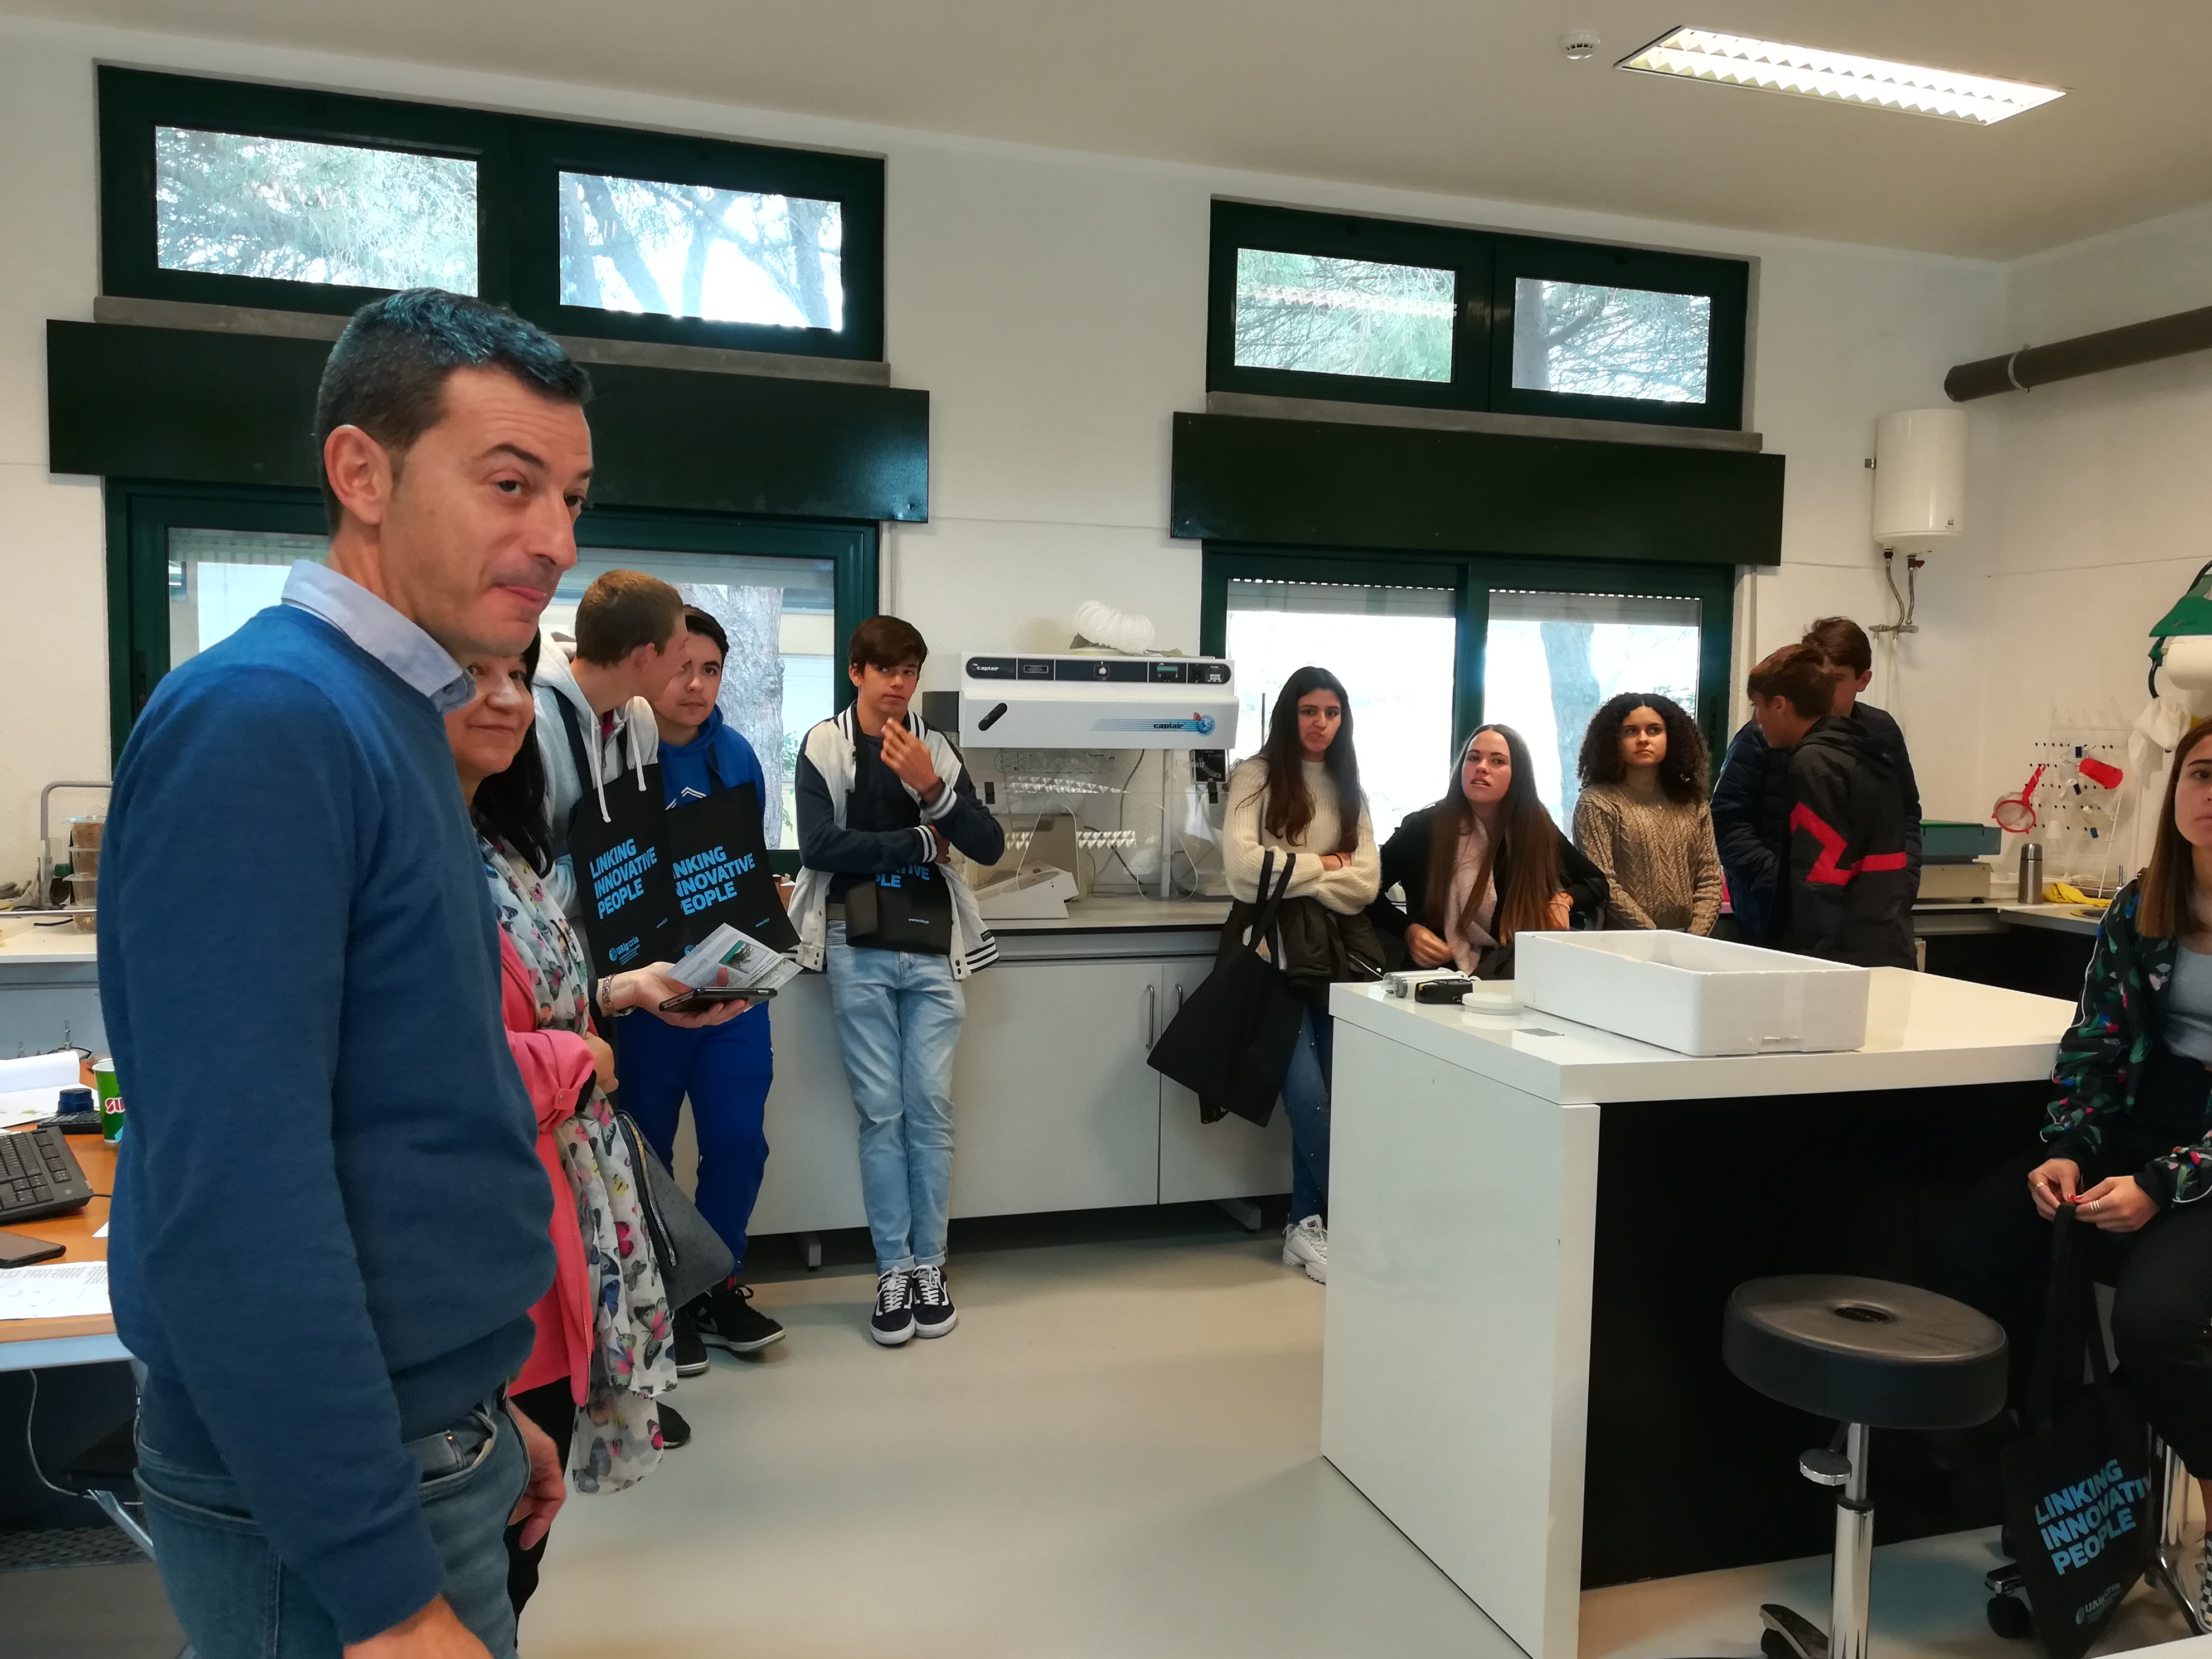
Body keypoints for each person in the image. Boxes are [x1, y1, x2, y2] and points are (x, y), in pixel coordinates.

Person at [101, 289, 589, 1659]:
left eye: (570, 497)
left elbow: (403, 1106)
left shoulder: (394, 712)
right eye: (509, 484)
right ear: (362, 474)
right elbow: (236, 1196)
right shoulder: (271, 720)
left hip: (421, 1431)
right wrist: (382, 1586)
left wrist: (477, 1404)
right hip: (328, 1493)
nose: (556, 539)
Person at [443, 635, 760, 1612]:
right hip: (472, 1245)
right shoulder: (400, 863)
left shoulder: (499, 850)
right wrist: (575, 1059)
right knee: (473, 1558)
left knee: (515, 1549)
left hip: (557, 1237)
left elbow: (540, 996)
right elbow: (414, 1065)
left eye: (515, 675)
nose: (507, 699)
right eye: (472, 676)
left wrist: (624, 989)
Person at [1923, 718, 2212, 1609]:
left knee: (2158, 1323)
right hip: (2138, 1129)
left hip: (2203, 1164)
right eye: (2202, 774)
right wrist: (2067, 1150)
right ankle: (2044, 1469)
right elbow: (2095, 1043)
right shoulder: (2144, 904)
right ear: (2176, 793)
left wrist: (2163, 1184)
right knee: (1970, 1247)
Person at [792, 615, 1006, 1345]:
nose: (898, 683)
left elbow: (987, 844)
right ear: (856, 672)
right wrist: (919, 839)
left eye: (909, 671)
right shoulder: (824, 744)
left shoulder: (934, 748)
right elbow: (819, 845)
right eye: (884, 669)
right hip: (856, 943)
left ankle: (930, 1266)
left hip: (930, 944)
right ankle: (893, 1268)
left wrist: (932, 789)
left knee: (931, 1108)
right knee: (881, 1112)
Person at [622, 607, 788, 1366]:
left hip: (728, 985)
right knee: (645, 1151)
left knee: (737, 1141)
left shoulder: (738, 757)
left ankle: (716, 1285)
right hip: (644, 993)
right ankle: (664, 1298)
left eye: (711, 669)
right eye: (681, 667)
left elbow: (747, 869)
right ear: (651, 665)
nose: (695, 684)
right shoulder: (616, 754)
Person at [1221, 667, 1384, 1286]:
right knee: (1308, 1094)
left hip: (1333, 957)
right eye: (1309, 711)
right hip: (1271, 954)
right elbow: (1243, 872)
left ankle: (1303, 1224)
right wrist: (1327, 864)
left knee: (1337, 1094)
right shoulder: (1256, 776)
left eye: (1332, 712)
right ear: (1289, 715)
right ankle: (1355, 1217)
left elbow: (1364, 884)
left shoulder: (1349, 785)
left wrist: (1292, 869)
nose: (1321, 723)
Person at [1711, 616, 1922, 940]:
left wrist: (1903, 884)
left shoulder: (1879, 732)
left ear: (1863, 680)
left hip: (1864, 913)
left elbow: (1905, 815)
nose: (1825, 689)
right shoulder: (1764, 736)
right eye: (1819, 677)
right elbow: (1729, 821)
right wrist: (1781, 884)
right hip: (1777, 914)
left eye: (1836, 679)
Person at [1369, 724, 1608, 980]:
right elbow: (1367, 892)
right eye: (1473, 758)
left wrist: (1564, 900)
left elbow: (1595, 882)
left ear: (1518, 775)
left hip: (1515, 972)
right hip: (1434, 976)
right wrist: (1408, 930)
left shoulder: (1535, 829)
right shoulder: (1426, 826)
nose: (1482, 767)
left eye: (1497, 761)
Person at [1745, 644, 1914, 968]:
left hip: (1838, 954)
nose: (1757, 720)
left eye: (1758, 706)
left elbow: (1820, 872)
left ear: (1779, 705)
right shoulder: (1869, 750)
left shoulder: (1812, 762)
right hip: (1887, 939)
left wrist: (1809, 962)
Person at [533, 568, 685, 916]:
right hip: (556, 943)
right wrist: (620, 877)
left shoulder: (641, 718)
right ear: (646, 657)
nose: (683, 663)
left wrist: (622, 873)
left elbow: (647, 841)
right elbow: (533, 889)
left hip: (629, 936)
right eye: (681, 649)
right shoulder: (533, 726)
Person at [1572, 693, 1723, 934]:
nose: (1643, 739)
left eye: (1654, 730)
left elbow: (1710, 881)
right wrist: (1657, 938)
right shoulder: (1597, 803)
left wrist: (1694, 937)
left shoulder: (1693, 802)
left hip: (1687, 940)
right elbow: (1604, 884)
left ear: (1672, 736)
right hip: (1620, 942)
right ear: (1612, 740)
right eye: (1631, 731)